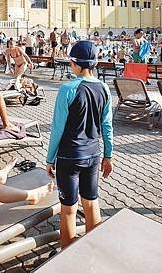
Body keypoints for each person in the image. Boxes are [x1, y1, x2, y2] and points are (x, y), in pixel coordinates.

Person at [46, 40, 113, 248]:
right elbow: (107, 126)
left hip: (69, 156)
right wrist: (108, 155)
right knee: (92, 203)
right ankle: (93, 251)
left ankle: (68, 256)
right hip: (93, 154)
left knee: (68, 209)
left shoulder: (67, 89)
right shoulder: (104, 88)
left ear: (75, 63)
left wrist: (49, 159)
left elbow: (57, 128)